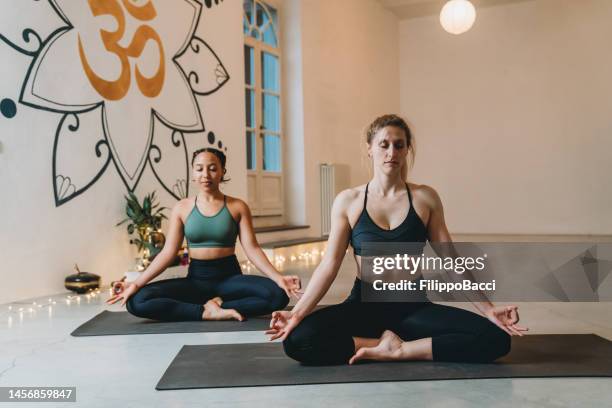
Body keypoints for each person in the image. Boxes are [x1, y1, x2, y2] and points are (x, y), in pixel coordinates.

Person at [267, 114, 528, 365]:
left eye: (398, 145)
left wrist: (488, 309)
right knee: (297, 340)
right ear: (370, 148)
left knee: (497, 338)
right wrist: (297, 312)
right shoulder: (349, 201)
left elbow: (451, 261)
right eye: (384, 144)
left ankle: (401, 349)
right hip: (363, 307)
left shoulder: (426, 199)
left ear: (406, 150)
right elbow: (329, 265)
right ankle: (372, 344)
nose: (391, 152)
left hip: (413, 308)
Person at [107, 147, 301, 321]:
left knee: (278, 295)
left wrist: (278, 278)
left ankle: (219, 306)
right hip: (196, 281)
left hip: (230, 280)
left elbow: (252, 248)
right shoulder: (181, 208)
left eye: (212, 168)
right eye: (199, 168)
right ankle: (206, 311)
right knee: (137, 301)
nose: (205, 174)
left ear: (222, 172)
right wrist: (136, 283)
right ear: (193, 172)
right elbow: (167, 253)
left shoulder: (237, 206)